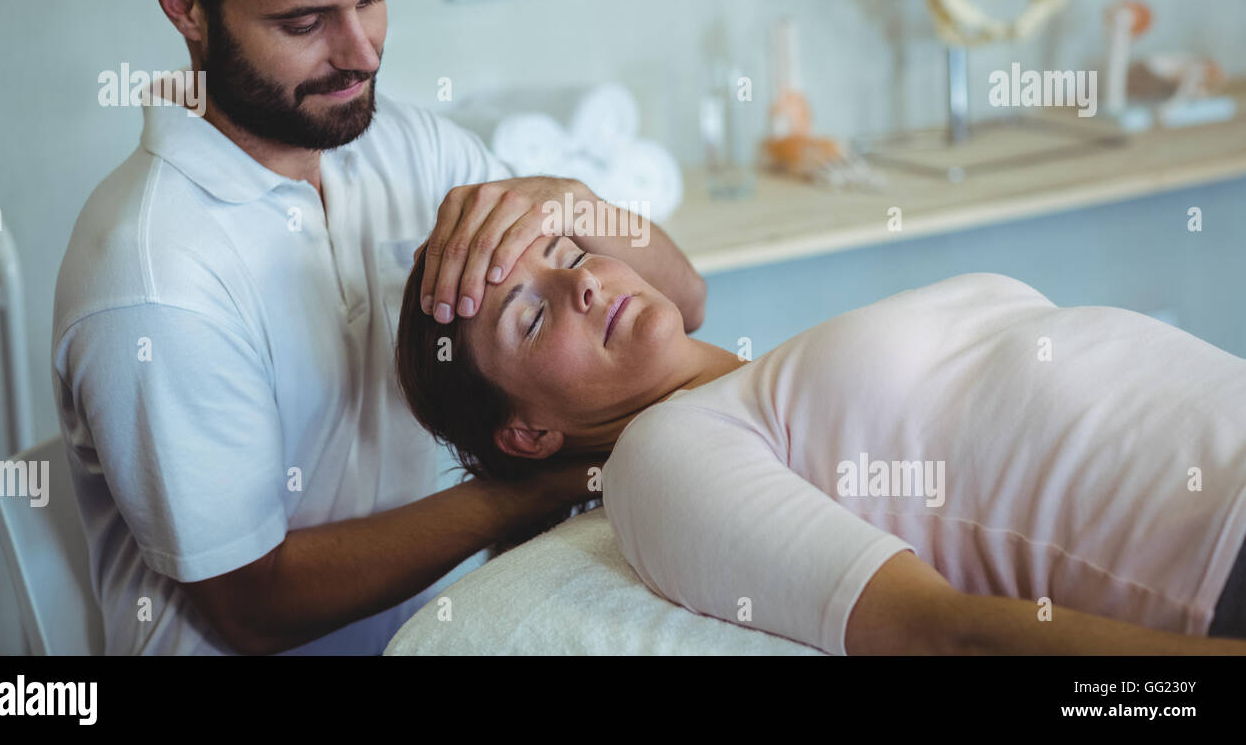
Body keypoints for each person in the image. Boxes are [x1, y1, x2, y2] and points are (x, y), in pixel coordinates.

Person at [51, 0, 705, 656]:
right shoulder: (154, 275)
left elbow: (683, 303)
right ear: (185, 6)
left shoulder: (406, 147)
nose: (361, 54)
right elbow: (251, 606)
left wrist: (568, 197)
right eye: (305, 21)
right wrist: (537, 489)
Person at [396, 233, 1246, 654]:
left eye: (569, 252)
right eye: (534, 313)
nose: (582, 280)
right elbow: (939, 637)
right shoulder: (665, 457)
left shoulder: (776, 373)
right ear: (530, 432)